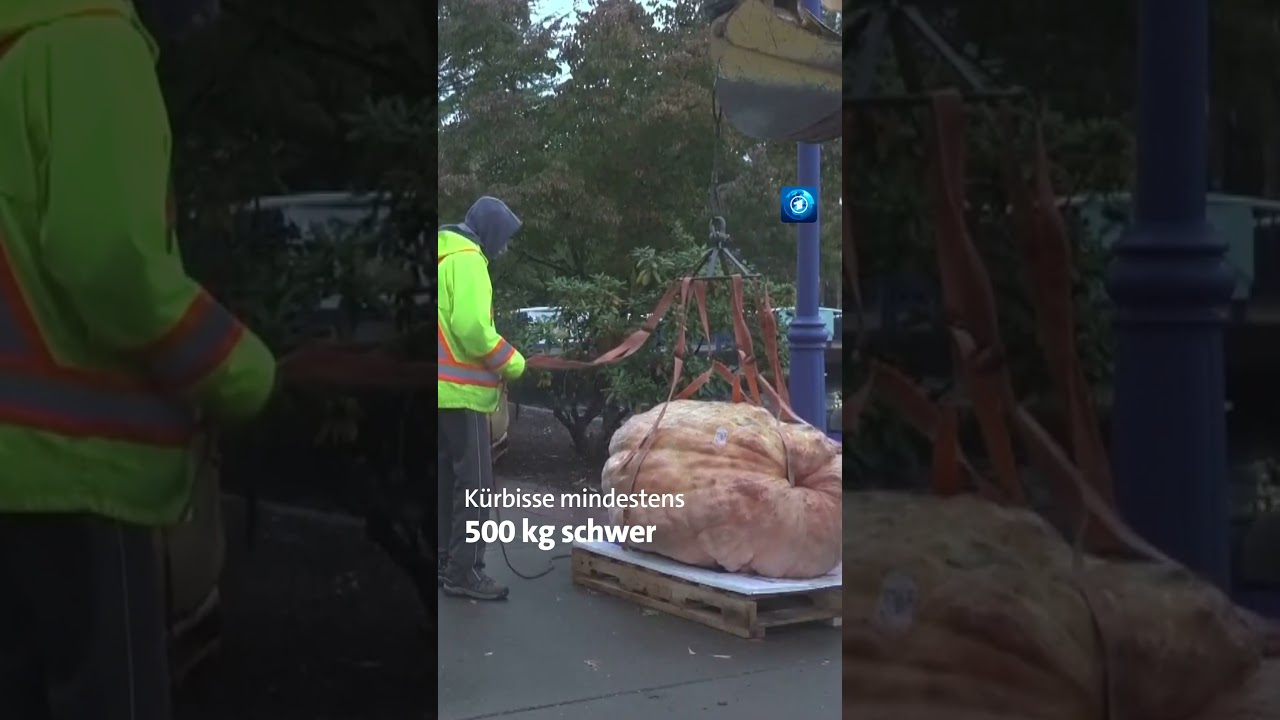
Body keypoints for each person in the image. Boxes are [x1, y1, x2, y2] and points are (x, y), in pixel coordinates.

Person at [0, 1, 277, 718]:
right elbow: (106, 257)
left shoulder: (17, 51)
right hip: (76, 477)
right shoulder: (90, 44)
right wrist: (242, 373)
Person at [437, 197, 527, 601]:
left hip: (438, 393)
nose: (504, 249)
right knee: (474, 486)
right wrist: (513, 362)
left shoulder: (442, 255)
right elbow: (471, 328)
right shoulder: (469, 259)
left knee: (447, 481)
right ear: (489, 232)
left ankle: (445, 561)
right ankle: (466, 572)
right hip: (462, 393)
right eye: (503, 239)